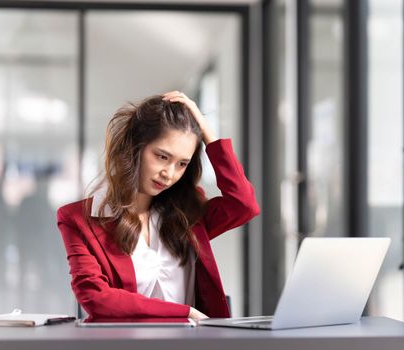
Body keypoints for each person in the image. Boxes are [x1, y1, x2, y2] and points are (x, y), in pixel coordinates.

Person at [57, 91, 260, 321]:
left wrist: (207, 132)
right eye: (162, 157)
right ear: (136, 147)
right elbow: (96, 298)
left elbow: (244, 205)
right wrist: (185, 313)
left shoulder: (188, 213)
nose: (169, 173)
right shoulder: (79, 218)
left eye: (182, 163)